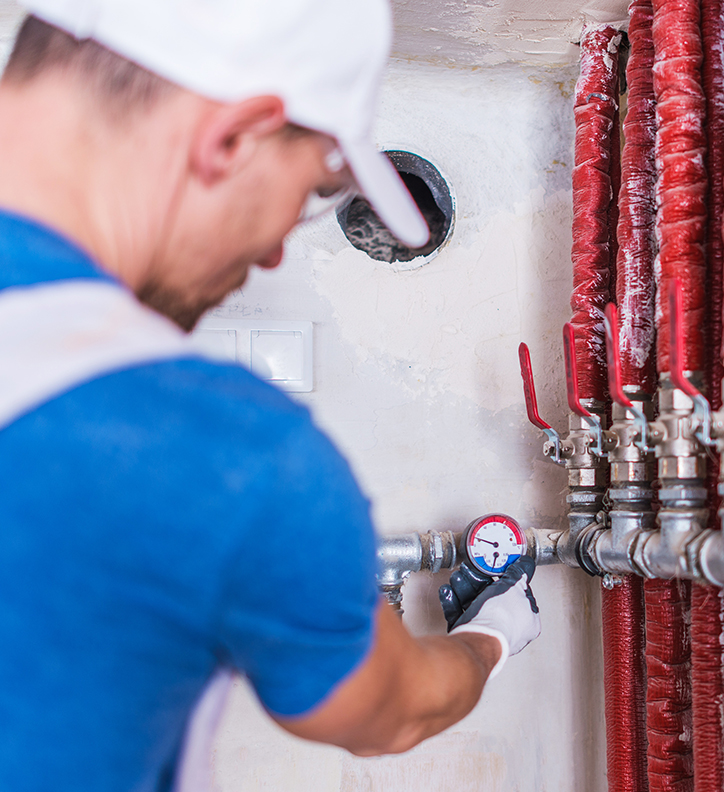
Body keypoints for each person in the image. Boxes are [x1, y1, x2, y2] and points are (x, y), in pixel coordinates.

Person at [0, 1, 541, 789]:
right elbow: (389, 711)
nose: (277, 245)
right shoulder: (218, 447)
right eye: (317, 188)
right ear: (235, 138)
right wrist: (492, 634)